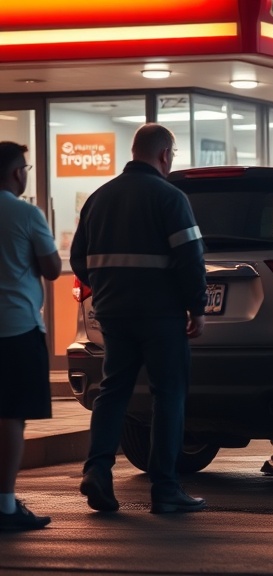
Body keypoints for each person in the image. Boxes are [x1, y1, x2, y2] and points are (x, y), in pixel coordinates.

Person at [70, 123, 208, 514]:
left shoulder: (99, 198)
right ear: (164, 154)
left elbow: (78, 259)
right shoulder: (170, 197)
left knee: (113, 391)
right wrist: (196, 307)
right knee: (168, 395)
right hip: (161, 315)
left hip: (113, 313)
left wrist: (107, 287)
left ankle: (97, 470)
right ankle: (165, 488)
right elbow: (190, 259)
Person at [0, 142, 61, 531]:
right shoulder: (25, 213)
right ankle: (5, 506)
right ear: (16, 173)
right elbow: (53, 268)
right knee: (10, 416)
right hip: (16, 328)